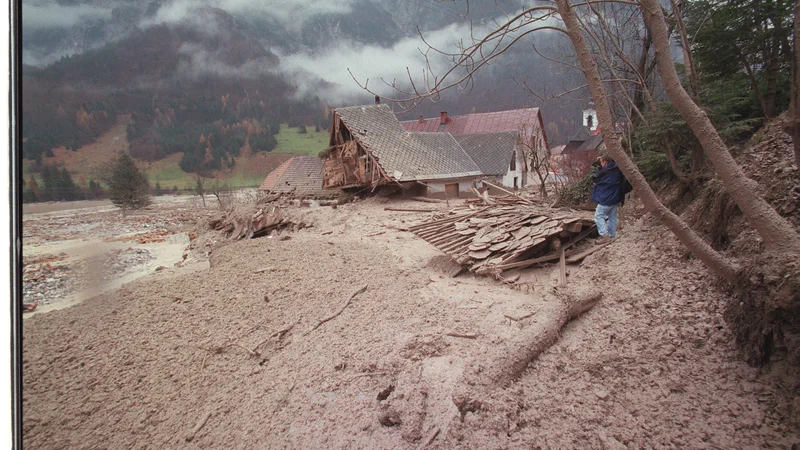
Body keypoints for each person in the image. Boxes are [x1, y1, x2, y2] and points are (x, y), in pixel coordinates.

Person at [591, 154, 627, 242]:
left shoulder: (605, 171)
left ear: (605, 162)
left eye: (601, 162)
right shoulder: (618, 169)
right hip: (616, 197)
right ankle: (611, 235)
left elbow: (595, 177)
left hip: (605, 197)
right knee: (612, 216)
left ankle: (604, 235)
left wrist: (599, 166)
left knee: (598, 216)